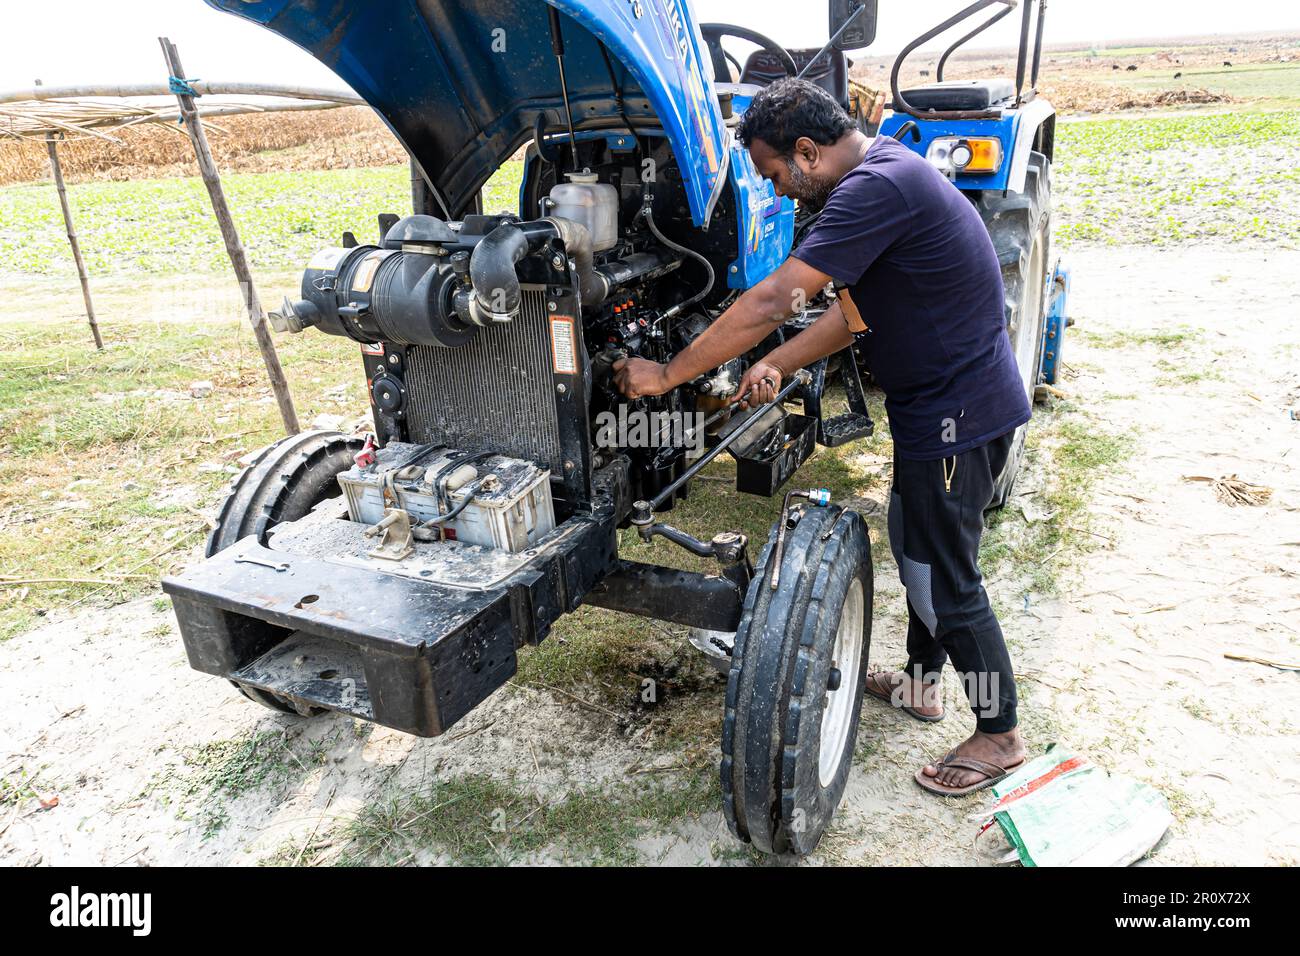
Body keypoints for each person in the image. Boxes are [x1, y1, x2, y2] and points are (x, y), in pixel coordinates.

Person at [613, 78, 1030, 796]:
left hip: (958, 416)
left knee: (945, 578)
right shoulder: (887, 175)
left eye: (777, 174)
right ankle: (924, 686)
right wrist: (773, 360)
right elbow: (851, 314)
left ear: (807, 152)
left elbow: (779, 296)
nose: (781, 190)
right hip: (938, 410)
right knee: (912, 543)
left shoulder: (875, 188)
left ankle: (1000, 732)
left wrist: (667, 374)